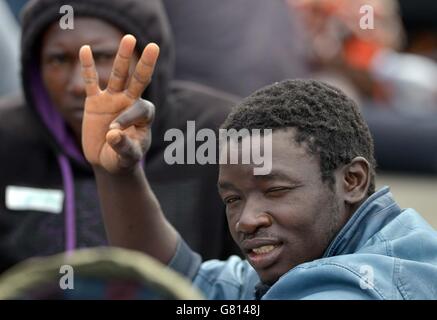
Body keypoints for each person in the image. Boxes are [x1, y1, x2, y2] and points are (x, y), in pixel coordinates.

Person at [79, 37, 437, 299]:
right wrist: (117, 172)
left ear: (352, 181)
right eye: (233, 199)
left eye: (276, 190)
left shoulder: (363, 286)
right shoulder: (311, 256)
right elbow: (177, 281)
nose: (247, 220)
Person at [0, 0, 239, 274]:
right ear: (34, 68)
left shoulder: (215, 133)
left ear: (149, 62)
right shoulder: (7, 138)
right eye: (58, 59)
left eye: (102, 57)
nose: (79, 85)